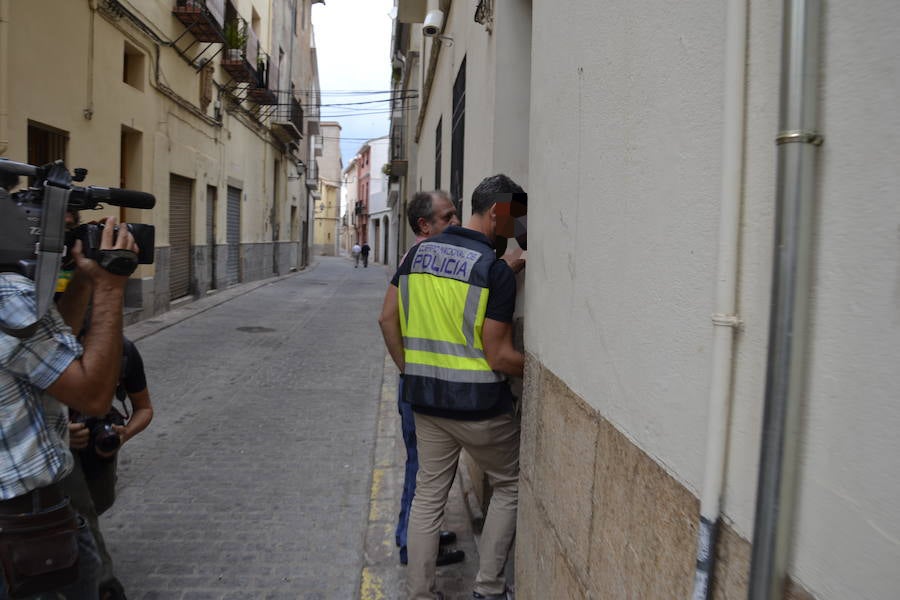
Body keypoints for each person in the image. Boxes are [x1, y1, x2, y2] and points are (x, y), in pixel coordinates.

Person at [379, 174, 526, 600]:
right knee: (510, 484)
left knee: (428, 496)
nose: (516, 228)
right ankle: (489, 589)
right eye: (514, 217)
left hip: (425, 401)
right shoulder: (492, 271)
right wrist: (533, 368)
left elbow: (387, 318)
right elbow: (498, 356)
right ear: (498, 211)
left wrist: (412, 370)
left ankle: (420, 594)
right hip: (480, 407)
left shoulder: (415, 256)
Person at [0, 217, 139, 599]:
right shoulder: (8, 296)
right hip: (24, 523)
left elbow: (49, 346)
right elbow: (93, 397)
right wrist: (111, 287)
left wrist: (86, 279)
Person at [395, 191, 464, 568]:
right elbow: (386, 318)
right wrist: (408, 370)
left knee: (425, 468)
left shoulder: (421, 258)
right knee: (420, 469)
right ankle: (411, 543)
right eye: (447, 217)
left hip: (419, 383)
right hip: (419, 385)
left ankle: (421, 533)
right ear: (425, 225)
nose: (456, 222)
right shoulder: (420, 260)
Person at [60, 335, 153, 600]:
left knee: (98, 503)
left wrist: (122, 435)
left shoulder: (124, 351)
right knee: (81, 514)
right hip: (52, 453)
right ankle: (103, 586)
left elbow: (144, 408)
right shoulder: (45, 345)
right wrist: (58, 433)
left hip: (97, 447)